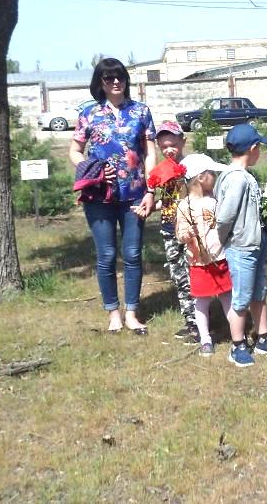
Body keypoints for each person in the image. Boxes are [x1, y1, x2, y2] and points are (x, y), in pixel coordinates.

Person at [69, 58, 156, 335]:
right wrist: (90, 170)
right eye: (109, 78)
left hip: (135, 194)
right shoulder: (89, 114)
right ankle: (113, 314)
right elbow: (74, 150)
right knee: (106, 255)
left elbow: (150, 152)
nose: (116, 82)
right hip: (99, 196)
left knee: (132, 253)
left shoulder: (141, 111)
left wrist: (151, 190)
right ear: (101, 83)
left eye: (120, 77)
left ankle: (132, 313)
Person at [215, 123, 267, 367]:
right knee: (242, 297)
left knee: (259, 293)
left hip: (256, 244)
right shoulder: (237, 179)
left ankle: (263, 337)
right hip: (242, 247)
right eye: (259, 148)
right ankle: (237, 345)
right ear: (253, 148)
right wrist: (223, 239)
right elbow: (225, 217)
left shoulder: (246, 176)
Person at [174, 153, 232, 357]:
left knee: (227, 296)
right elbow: (180, 235)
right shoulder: (184, 205)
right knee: (202, 301)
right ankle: (205, 338)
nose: (214, 177)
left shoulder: (215, 201)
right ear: (201, 177)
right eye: (211, 173)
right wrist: (187, 235)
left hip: (220, 258)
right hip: (199, 262)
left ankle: (237, 333)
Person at [151, 120, 199, 342]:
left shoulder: (192, 168)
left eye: (173, 145)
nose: (169, 150)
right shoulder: (163, 170)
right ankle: (191, 322)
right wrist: (150, 206)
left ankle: (202, 320)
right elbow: (167, 200)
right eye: (164, 146)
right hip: (169, 230)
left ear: (183, 141)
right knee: (179, 276)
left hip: (190, 231)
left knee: (194, 274)